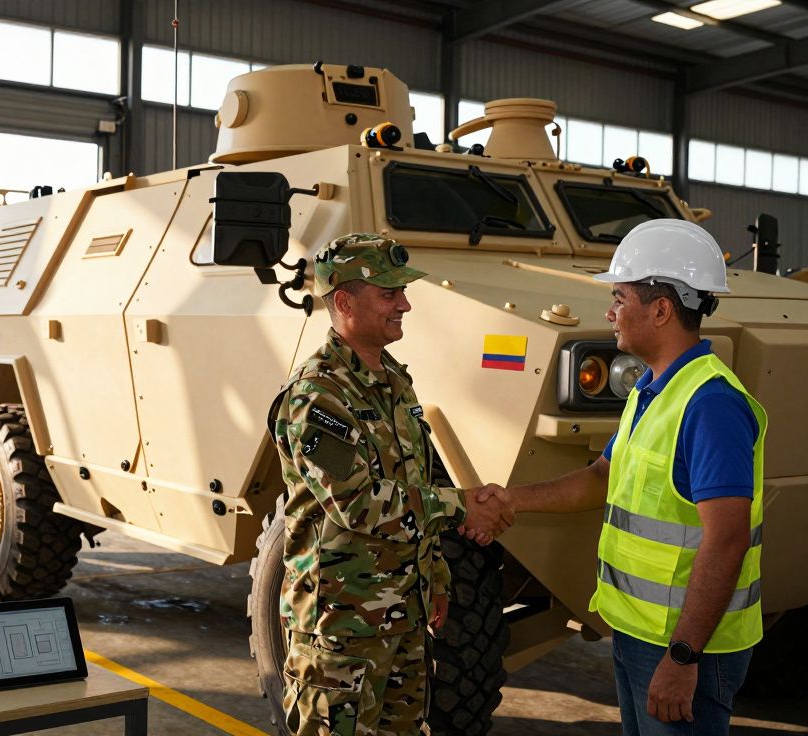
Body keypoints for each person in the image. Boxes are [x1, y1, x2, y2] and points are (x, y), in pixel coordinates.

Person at [485, 219, 766, 735]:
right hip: (642, 633)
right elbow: (600, 478)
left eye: (619, 297)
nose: (610, 313)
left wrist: (683, 658)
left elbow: (727, 539)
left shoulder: (711, 405)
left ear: (661, 310)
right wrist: (510, 499)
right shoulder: (651, 389)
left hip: (686, 644)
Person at [268, 232, 513, 736]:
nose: (405, 303)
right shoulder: (319, 398)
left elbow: (413, 481)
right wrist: (462, 506)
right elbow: (359, 505)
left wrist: (436, 578)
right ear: (343, 301)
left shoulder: (394, 384)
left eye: (402, 291)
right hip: (341, 630)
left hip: (402, 617)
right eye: (388, 293)